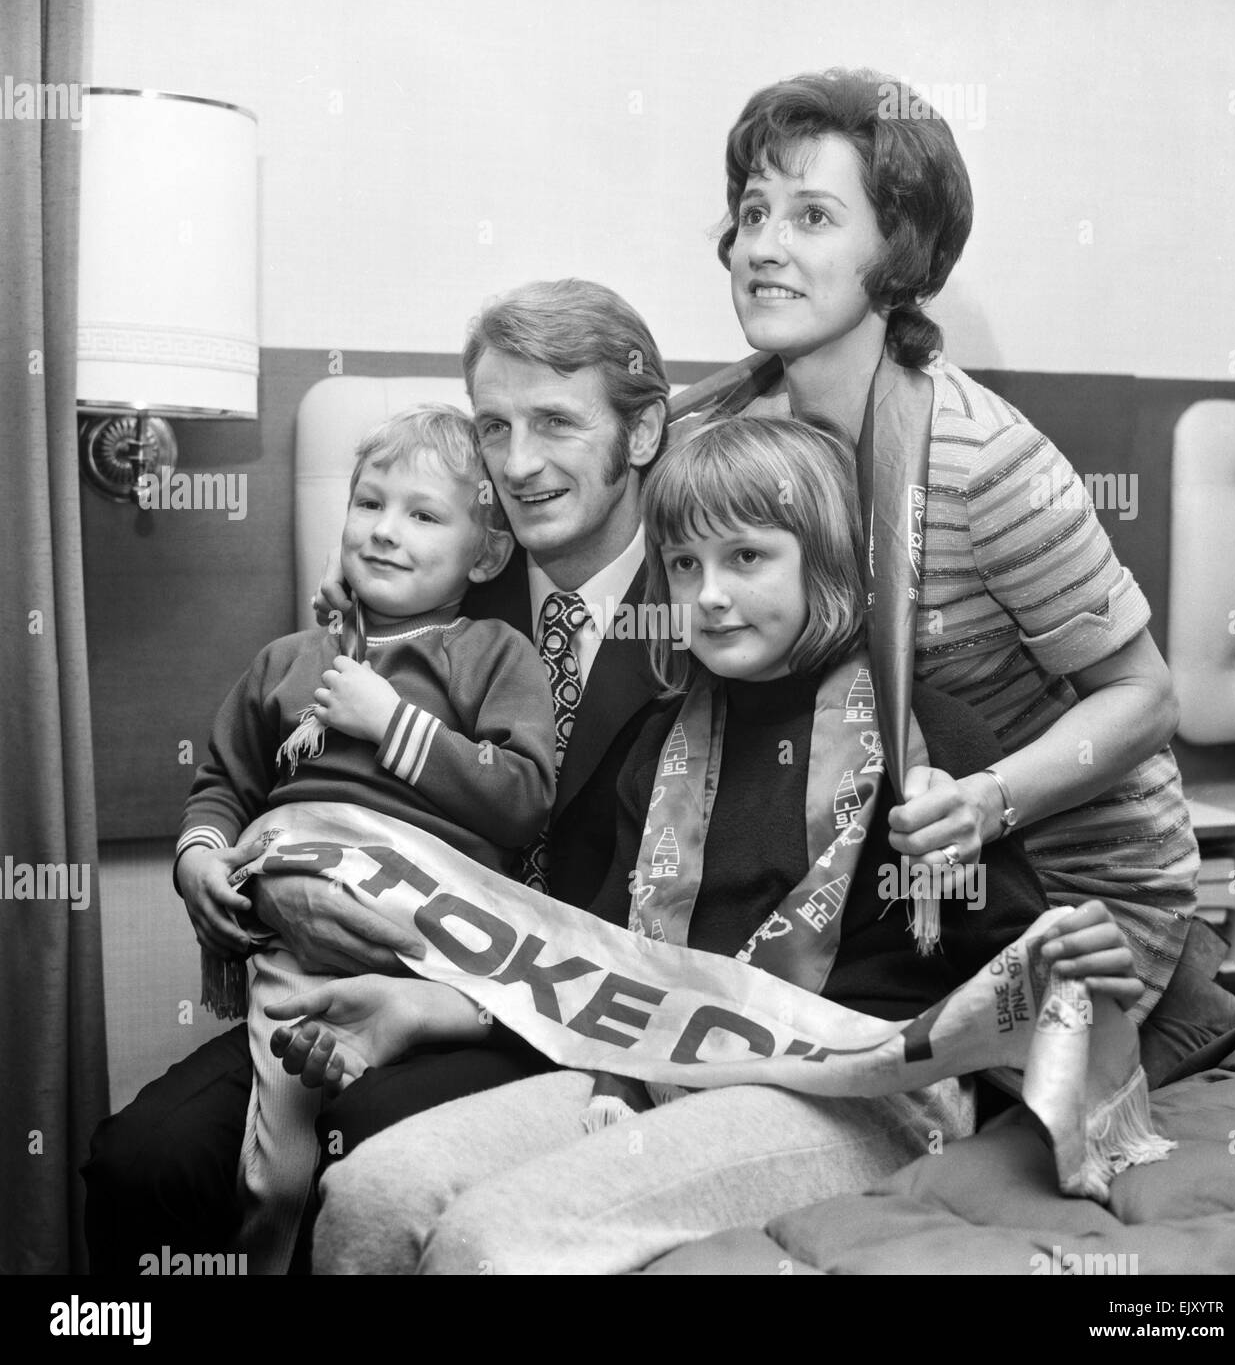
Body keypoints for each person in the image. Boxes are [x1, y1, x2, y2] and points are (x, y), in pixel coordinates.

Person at [281, 415, 1143, 1275]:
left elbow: (1025, 975)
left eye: (747, 557)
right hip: (654, 1066)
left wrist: (1037, 929)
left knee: (491, 1241)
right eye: (685, 566)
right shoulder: (656, 744)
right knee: (373, 1192)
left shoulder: (929, 736)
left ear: (828, 560)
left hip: (863, 1095)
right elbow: (594, 961)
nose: (710, 595)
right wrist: (427, 1008)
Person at [81, 280, 671, 1274]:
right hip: (305, 969)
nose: (518, 462)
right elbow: (246, 769)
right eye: (494, 425)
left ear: (642, 431)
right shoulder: (396, 609)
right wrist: (223, 866)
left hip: (516, 1002)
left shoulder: (708, 605)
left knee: (360, 1143)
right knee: (140, 1159)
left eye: (555, 422)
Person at [705, 66, 1235, 1077]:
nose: (763, 248)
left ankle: (1181, 1010)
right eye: (751, 213)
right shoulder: (737, 436)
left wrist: (988, 800)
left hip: (1061, 880)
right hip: (874, 870)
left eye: (813, 216)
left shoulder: (981, 460)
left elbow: (1141, 698)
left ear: (897, 252)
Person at [175, 402, 559, 1273]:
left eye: (424, 515)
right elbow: (223, 786)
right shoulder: (284, 661)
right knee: (275, 1177)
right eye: (369, 504)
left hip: (431, 929)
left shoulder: (496, 654)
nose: (386, 532)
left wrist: (391, 723)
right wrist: (199, 854)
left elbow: (526, 797)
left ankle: (367, 1054)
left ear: (487, 552)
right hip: (291, 932)